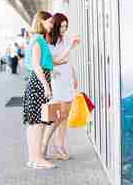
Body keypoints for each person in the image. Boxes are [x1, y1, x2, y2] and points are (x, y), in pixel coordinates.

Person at [42, 13, 80, 160]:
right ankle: (44, 142)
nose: (64, 29)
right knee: (59, 114)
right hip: (58, 80)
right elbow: (55, 61)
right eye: (62, 26)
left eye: (66, 26)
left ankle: (59, 146)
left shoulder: (63, 40)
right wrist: (70, 46)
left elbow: (68, 60)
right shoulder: (48, 42)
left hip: (67, 77)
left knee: (65, 115)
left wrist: (74, 75)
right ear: (56, 25)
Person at [22, 10, 56, 169]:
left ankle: (33, 158)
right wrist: (46, 85)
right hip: (38, 83)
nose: (51, 25)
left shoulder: (37, 39)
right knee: (38, 123)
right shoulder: (38, 40)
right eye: (49, 22)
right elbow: (36, 65)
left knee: (34, 123)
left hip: (37, 82)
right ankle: (37, 158)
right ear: (41, 22)